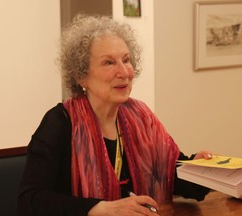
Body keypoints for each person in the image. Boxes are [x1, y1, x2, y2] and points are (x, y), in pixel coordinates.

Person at [17, 14, 211, 216]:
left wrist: (203, 170)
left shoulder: (142, 117)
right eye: (109, 63)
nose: (124, 72)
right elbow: (30, 201)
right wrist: (100, 209)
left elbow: (172, 177)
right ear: (82, 76)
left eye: (126, 60)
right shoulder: (60, 123)